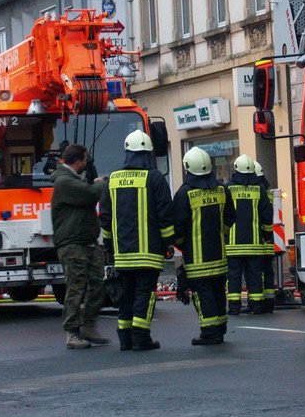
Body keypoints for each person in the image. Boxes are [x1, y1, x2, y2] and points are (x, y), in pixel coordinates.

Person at [99, 130, 174, 351]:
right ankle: (141, 338)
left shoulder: (112, 179)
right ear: (149, 154)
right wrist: (168, 241)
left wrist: (110, 246)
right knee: (144, 294)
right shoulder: (155, 177)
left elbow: (105, 216)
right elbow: (165, 213)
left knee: (126, 294)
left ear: (127, 153)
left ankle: (125, 339)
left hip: (122, 254)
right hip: (149, 253)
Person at [50, 143, 110, 350]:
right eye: (85, 160)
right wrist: (101, 184)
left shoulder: (73, 179)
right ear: (79, 161)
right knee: (76, 287)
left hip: (86, 242)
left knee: (98, 283)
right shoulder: (65, 182)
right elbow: (90, 194)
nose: (87, 163)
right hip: (72, 244)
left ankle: (88, 325)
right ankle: (72, 332)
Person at [173, 147, 234, 345]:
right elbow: (230, 219)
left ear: (188, 168)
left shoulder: (184, 193)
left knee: (203, 295)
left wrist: (183, 246)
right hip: (219, 256)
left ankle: (210, 333)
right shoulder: (222, 190)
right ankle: (221, 328)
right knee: (218, 292)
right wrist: (221, 236)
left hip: (197, 260)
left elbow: (178, 228)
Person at [225, 155, 273, 316]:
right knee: (255, 276)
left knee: (233, 276)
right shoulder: (259, 189)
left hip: (233, 245)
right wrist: (267, 235)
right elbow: (267, 215)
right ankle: (257, 306)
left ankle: (234, 307)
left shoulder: (228, 188)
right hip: (255, 244)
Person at [253, 161, 277, 314]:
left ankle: (259, 302)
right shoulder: (266, 191)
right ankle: (269, 300)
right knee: (268, 271)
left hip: (258, 238)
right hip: (268, 239)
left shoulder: (256, 191)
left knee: (257, 272)